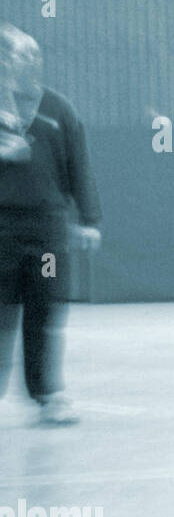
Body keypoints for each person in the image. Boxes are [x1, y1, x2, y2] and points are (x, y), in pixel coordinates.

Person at [0, 24, 102, 425]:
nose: (24, 64)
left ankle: (47, 394)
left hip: (47, 233)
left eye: (30, 57)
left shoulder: (59, 110)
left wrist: (90, 219)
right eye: (14, 57)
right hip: (0, 230)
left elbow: (79, 166)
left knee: (46, 310)